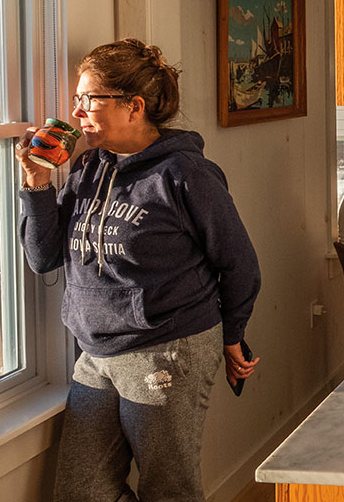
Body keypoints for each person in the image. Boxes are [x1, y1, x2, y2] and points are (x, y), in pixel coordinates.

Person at [15, 38, 261, 502]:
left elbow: (240, 263)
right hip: (95, 353)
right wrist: (37, 185)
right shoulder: (88, 169)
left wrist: (232, 335)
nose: (78, 111)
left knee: (168, 490)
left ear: (135, 106)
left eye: (89, 99)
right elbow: (42, 257)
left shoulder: (185, 174)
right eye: (77, 100)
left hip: (168, 351)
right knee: (81, 492)